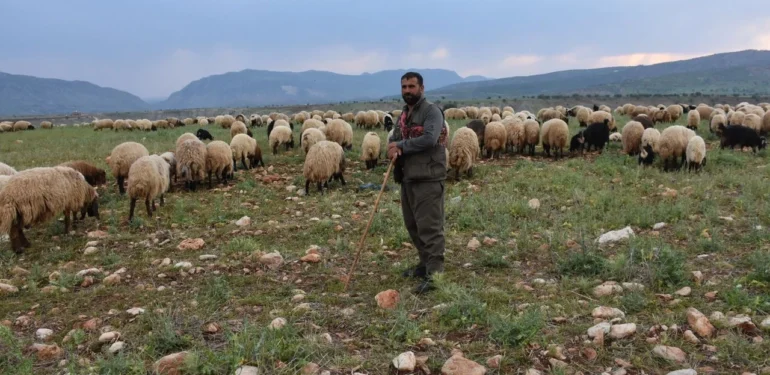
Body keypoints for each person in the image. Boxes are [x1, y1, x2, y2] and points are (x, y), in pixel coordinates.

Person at [387, 71, 448, 294]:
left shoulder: (432, 112)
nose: (407, 91)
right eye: (404, 87)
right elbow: (395, 138)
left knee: (430, 227)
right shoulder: (404, 114)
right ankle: (424, 264)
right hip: (408, 177)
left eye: (412, 86)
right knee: (413, 225)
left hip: (428, 177)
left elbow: (429, 139)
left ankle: (435, 275)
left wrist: (401, 146)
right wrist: (392, 148)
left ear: (421, 88)